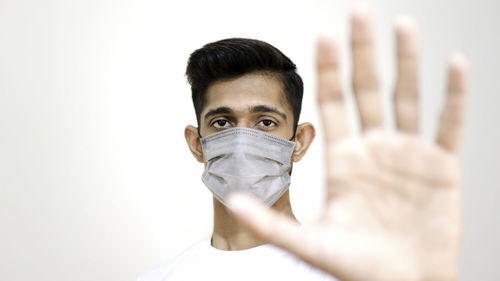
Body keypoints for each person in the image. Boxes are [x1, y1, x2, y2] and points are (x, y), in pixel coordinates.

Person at [138, 3, 468, 281]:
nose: (241, 141)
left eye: (265, 122)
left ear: (299, 141)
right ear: (197, 142)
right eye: (222, 123)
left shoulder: (351, 271)